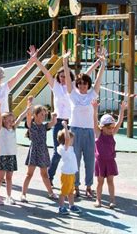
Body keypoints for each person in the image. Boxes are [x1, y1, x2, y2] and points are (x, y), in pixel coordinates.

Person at [34, 49, 100, 187]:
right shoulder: (55, 86)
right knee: (58, 152)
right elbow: (45, 72)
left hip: (72, 124)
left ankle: (76, 184)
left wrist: (99, 62)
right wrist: (36, 60)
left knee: (74, 155)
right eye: (62, 76)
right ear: (58, 77)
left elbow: (86, 74)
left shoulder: (74, 89)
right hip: (59, 123)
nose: (64, 78)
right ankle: (50, 177)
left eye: (66, 76)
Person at [0, 46, 37, 184]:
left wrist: (31, 61)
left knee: (2, 148)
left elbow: (20, 73)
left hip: (4, 121)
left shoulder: (6, 86)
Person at [64, 47, 107, 198]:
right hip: (74, 131)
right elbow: (68, 80)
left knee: (90, 160)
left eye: (85, 83)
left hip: (89, 131)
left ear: (88, 84)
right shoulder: (72, 95)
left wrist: (102, 63)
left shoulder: (92, 94)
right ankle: (76, 187)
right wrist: (65, 61)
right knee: (74, 160)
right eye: (80, 83)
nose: (82, 85)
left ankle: (89, 186)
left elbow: (99, 79)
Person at [20, 96, 58, 203]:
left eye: (44, 115)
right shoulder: (31, 125)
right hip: (34, 150)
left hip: (43, 151)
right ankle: (23, 194)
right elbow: (28, 115)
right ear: (35, 115)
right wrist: (29, 104)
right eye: (41, 114)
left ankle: (50, 193)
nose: (43, 116)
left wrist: (54, 117)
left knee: (44, 174)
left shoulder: (44, 126)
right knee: (29, 174)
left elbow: (53, 123)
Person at [0, 100, 29, 205]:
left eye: (12, 120)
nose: (11, 122)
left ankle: (8, 196)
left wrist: (27, 109)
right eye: (8, 120)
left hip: (12, 156)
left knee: (9, 178)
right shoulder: (1, 129)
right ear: (3, 121)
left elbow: (21, 117)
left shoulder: (13, 129)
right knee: (0, 178)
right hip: (3, 156)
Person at [92, 99, 127, 209]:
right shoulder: (98, 133)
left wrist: (122, 110)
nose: (112, 129)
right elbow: (94, 121)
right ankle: (98, 200)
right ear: (102, 127)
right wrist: (95, 109)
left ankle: (112, 200)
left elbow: (120, 121)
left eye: (112, 127)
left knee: (110, 181)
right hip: (100, 162)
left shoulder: (112, 133)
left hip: (110, 162)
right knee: (100, 182)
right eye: (109, 128)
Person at [56, 120, 82, 215]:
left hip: (71, 173)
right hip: (66, 174)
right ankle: (61, 207)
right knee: (64, 191)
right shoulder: (64, 148)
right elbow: (66, 139)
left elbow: (67, 138)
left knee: (71, 191)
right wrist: (65, 127)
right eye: (71, 138)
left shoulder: (69, 148)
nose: (72, 140)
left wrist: (67, 129)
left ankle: (71, 205)